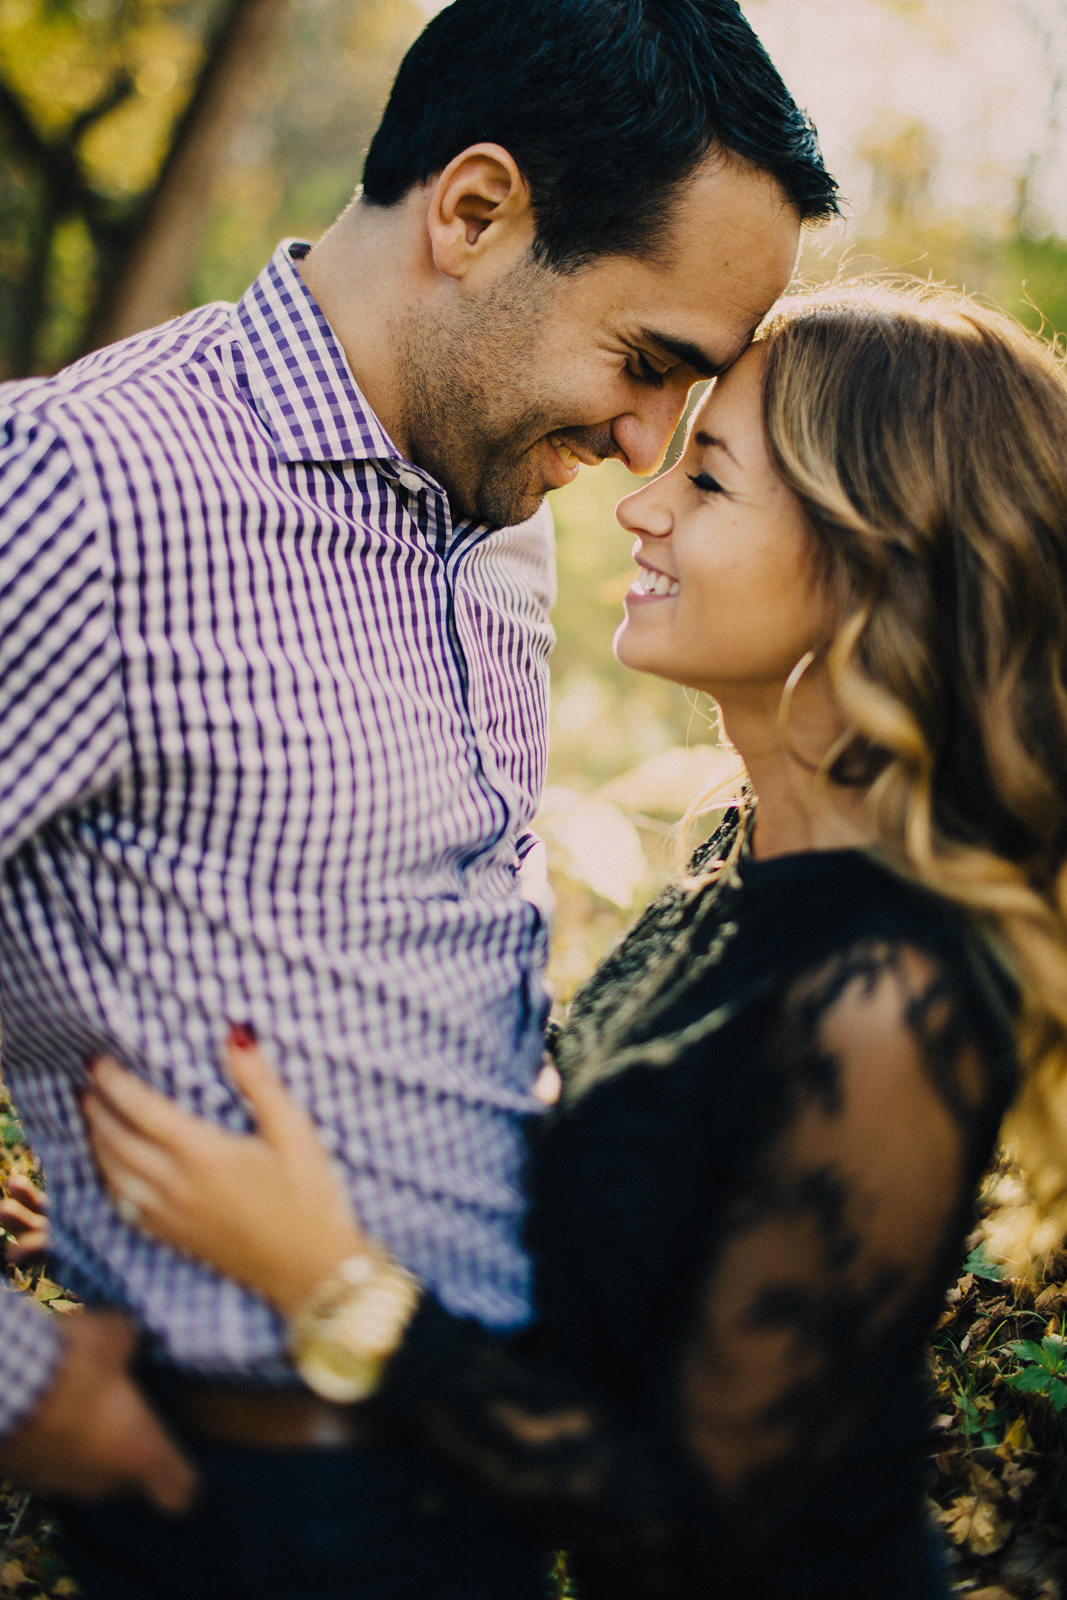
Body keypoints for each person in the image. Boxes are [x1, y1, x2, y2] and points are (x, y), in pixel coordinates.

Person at [0, 0, 837, 1593]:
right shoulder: (83, 488)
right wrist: (31, 1396)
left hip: (488, 1468)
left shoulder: (498, 517)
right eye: (646, 361)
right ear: (473, 211)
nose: (652, 441)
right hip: (261, 1510)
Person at [73, 282, 1067, 1599]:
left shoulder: (891, 1000)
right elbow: (601, 1236)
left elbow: (693, 1523)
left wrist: (333, 1290)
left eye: (709, 480)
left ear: (875, 559)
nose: (643, 501)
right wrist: (190, 1206)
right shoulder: (737, 867)